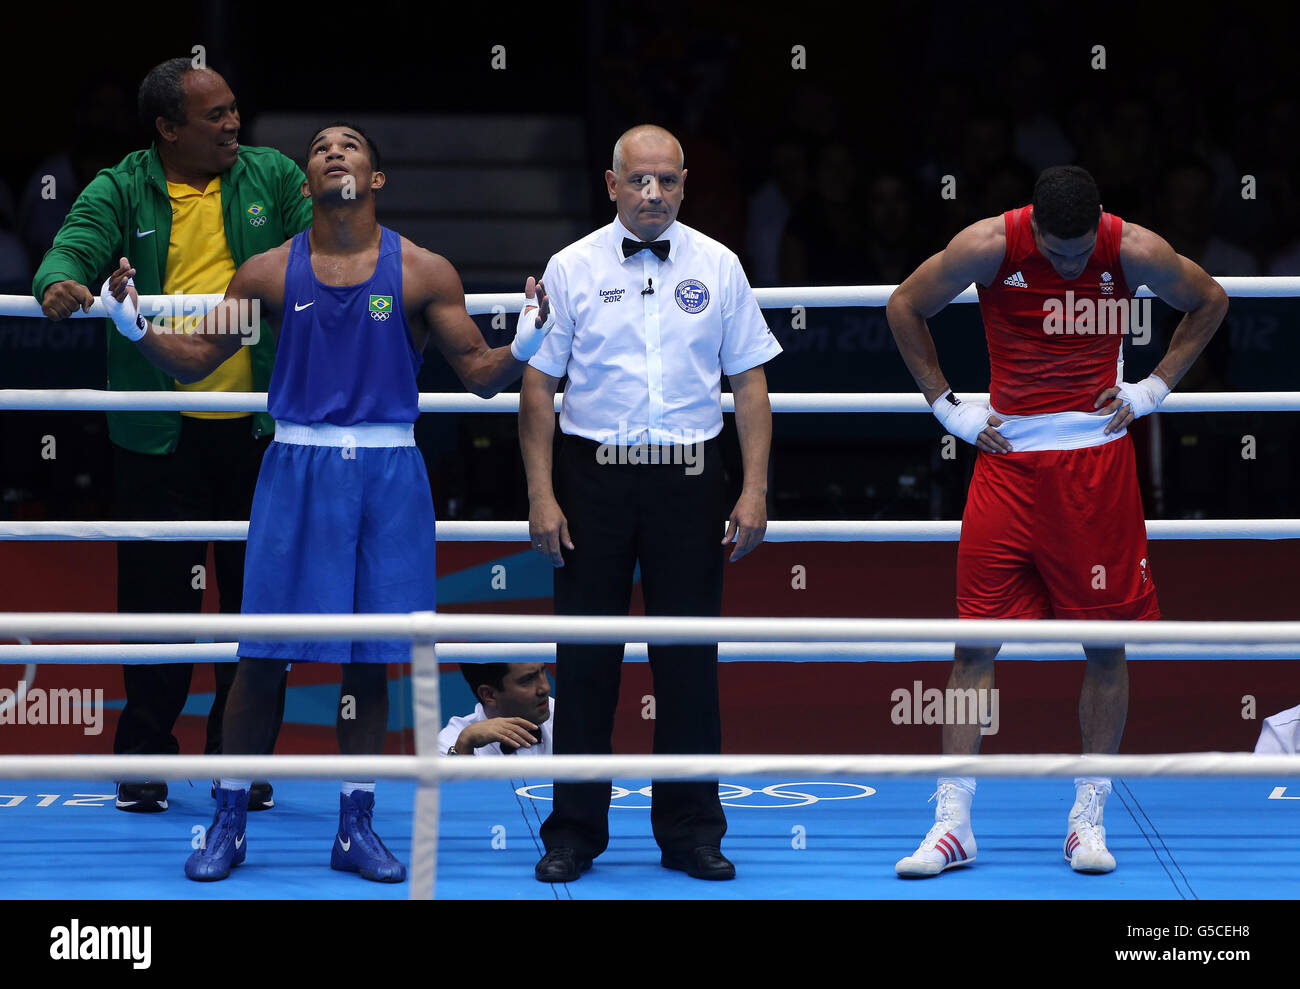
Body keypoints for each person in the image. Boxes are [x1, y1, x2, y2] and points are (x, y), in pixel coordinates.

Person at [99, 122, 554, 883]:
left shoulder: (422, 271)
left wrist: (530, 341)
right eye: (319, 147)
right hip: (295, 466)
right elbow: (193, 360)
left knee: (371, 660)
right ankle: (228, 818)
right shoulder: (268, 272)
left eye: (350, 145)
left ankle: (355, 826)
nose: (333, 152)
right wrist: (132, 318)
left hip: (388, 474)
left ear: (377, 177)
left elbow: (479, 372)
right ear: (306, 180)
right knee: (262, 655)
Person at [885, 165, 1227, 876]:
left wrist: (1155, 387)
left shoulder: (1133, 249)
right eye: (1057, 253)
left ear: (1099, 221)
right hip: (1006, 464)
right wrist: (948, 407)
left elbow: (1209, 300)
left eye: (1081, 254)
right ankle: (953, 823)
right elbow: (904, 306)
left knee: (1104, 647)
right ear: (1033, 225)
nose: (1071, 267)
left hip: (1096, 471)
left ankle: (1088, 814)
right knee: (974, 646)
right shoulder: (988, 244)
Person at [32, 58, 302, 814]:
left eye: (233, 110)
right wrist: (60, 280)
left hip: (259, 429)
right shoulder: (124, 186)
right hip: (159, 432)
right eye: (213, 115)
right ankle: (145, 757)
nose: (230, 125)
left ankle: (237, 759)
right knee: (155, 601)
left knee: (257, 602)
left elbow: (322, 248)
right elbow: (74, 243)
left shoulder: (273, 175)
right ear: (166, 129)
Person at [520, 124, 781, 883]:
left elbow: (750, 383)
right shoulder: (570, 267)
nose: (653, 193)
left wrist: (755, 485)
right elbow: (539, 386)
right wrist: (541, 493)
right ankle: (572, 831)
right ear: (611, 184)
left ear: (685, 183)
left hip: (691, 476)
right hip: (591, 476)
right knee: (587, 657)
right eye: (639, 180)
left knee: (689, 662)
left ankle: (693, 831)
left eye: (667, 180)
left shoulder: (720, 264)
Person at [439, 663, 554, 756]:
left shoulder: (566, 715)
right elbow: (452, 784)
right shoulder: (449, 743)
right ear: (489, 695)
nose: (545, 688)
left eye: (543, 671)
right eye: (527, 680)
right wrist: (463, 749)